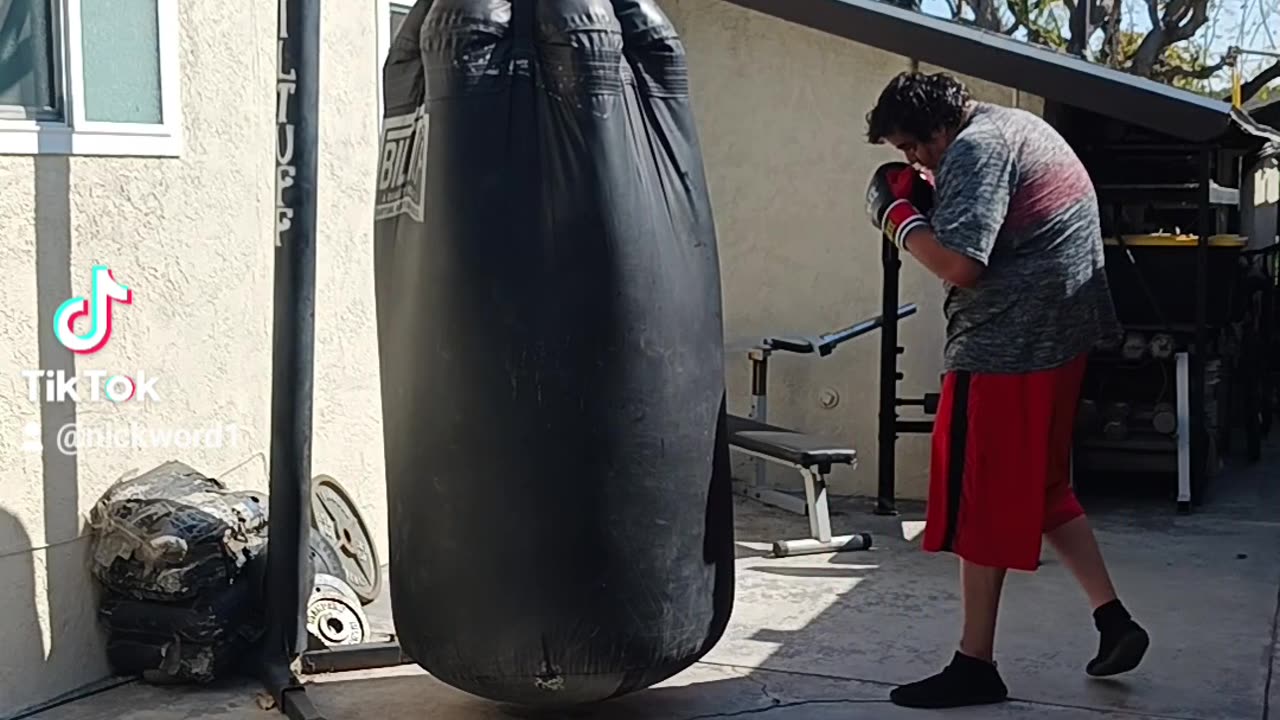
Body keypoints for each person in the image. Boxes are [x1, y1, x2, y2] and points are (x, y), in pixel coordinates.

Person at [862, 71, 1150, 709]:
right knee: (1044, 487)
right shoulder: (1016, 126)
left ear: (940, 126)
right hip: (1062, 338)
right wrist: (929, 192)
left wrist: (898, 217)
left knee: (979, 498)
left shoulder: (977, 148)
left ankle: (975, 665)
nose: (914, 160)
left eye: (914, 147)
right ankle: (1114, 620)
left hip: (1007, 346)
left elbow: (963, 265)